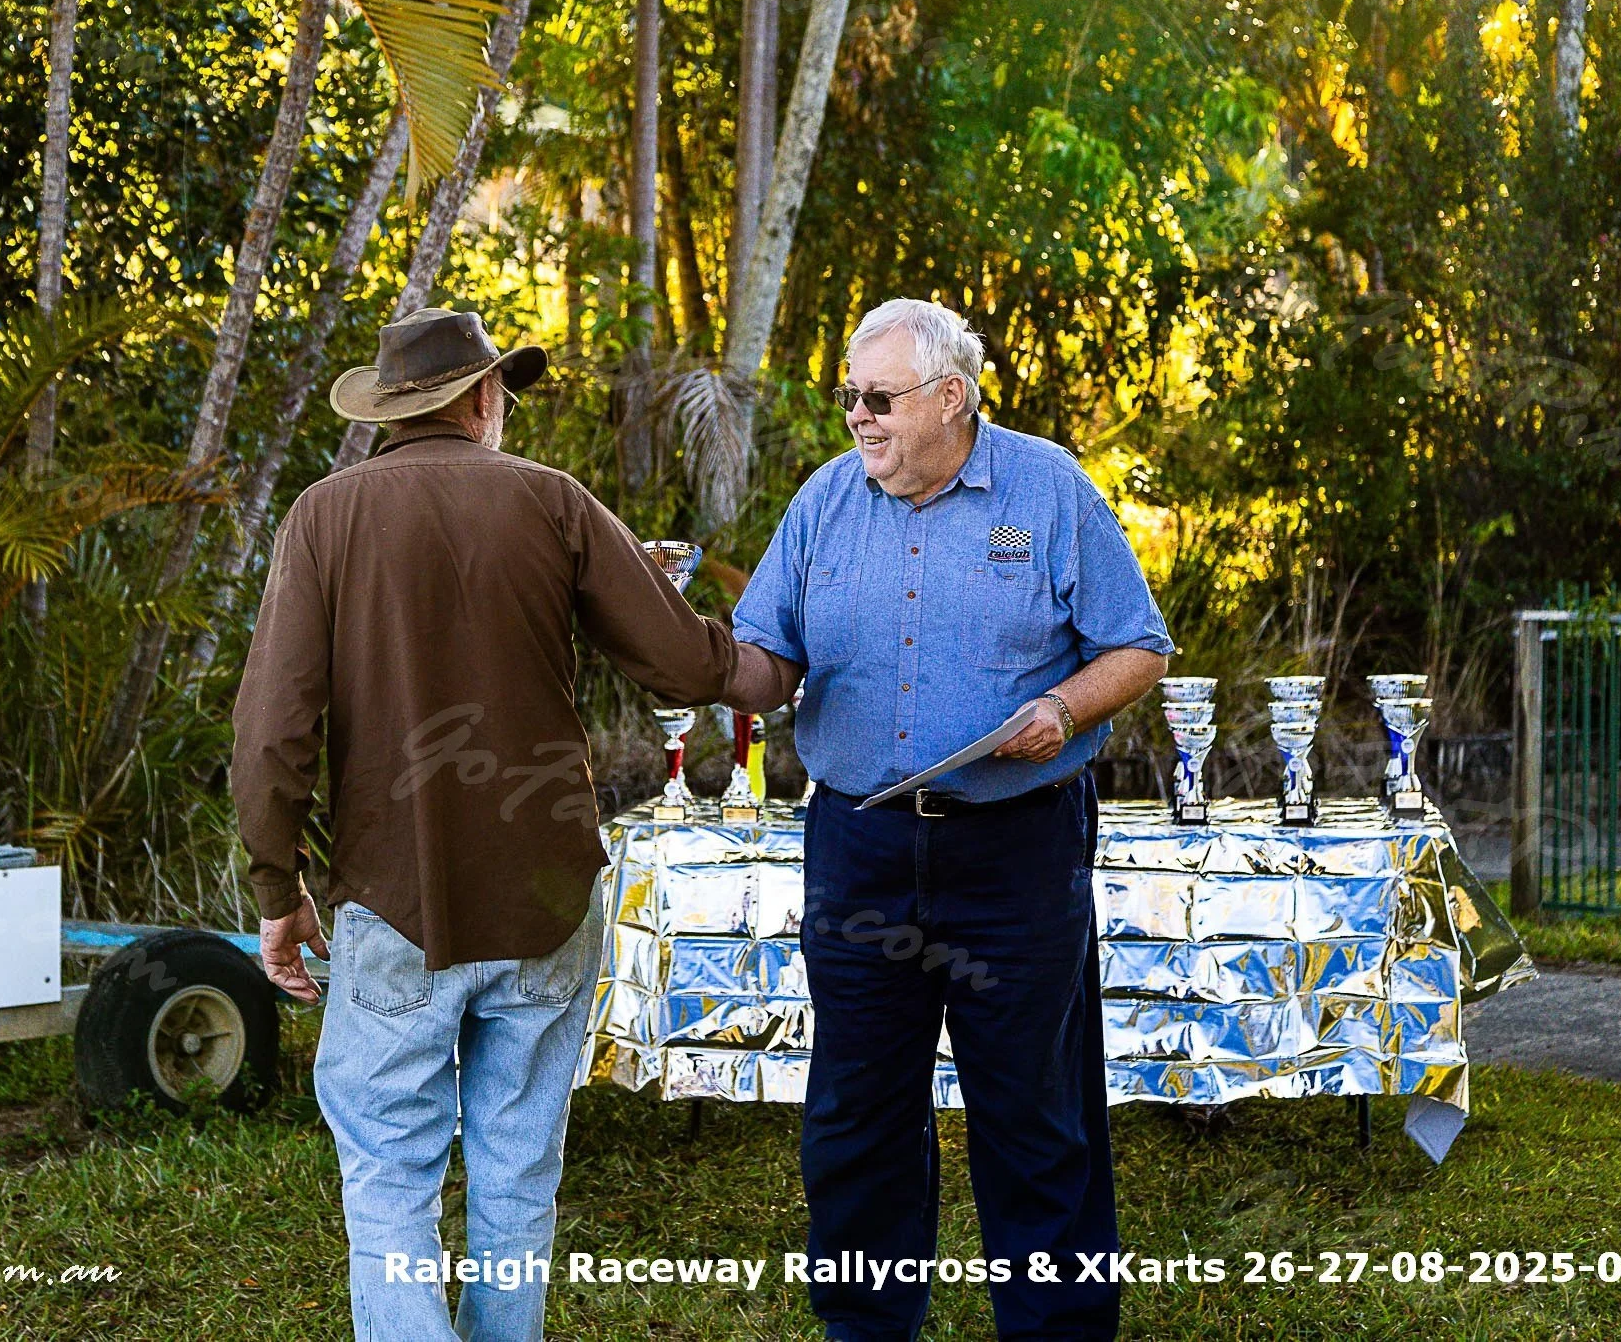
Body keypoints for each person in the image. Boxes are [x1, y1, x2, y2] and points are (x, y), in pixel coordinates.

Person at [229, 306, 777, 1341]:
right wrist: (785, 665)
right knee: (517, 1174)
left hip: (394, 902)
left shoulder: (322, 516)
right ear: (480, 399)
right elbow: (684, 664)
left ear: (394, 409)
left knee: (390, 1176)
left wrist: (276, 890)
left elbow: (271, 734)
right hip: (546, 896)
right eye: (503, 392)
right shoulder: (553, 503)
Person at [727, 297, 1174, 1340]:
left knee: (1032, 1114)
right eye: (849, 398)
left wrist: (1063, 708)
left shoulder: (1047, 491)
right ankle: (866, 1330)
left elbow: (1136, 645)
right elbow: (765, 654)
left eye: (877, 399)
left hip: (1011, 853)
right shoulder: (824, 502)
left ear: (950, 398)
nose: (858, 419)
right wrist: (695, 655)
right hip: (859, 849)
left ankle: (1056, 1331)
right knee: (855, 1115)